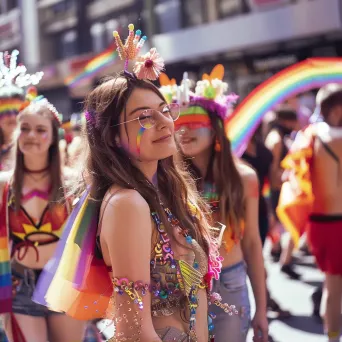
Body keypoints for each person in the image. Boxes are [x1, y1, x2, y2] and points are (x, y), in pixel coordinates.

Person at [33, 25, 231, 342]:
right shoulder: (128, 203)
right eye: (143, 117)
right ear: (112, 136)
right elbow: (134, 328)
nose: (165, 123)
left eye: (164, 110)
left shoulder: (164, 193)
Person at [176, 65, 268, 342]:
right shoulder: (171, 180)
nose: (184, 130)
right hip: (183, 285)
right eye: (178, 124)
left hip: (230, 281)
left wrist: (262, 310)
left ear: (215, 130)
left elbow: (252, 242)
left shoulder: (243, 178)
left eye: (194, 124)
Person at [0, 95, 85, 342]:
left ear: (53, 136)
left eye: (40, 130)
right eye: (25, 129)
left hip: (64, 282)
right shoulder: (4, 185)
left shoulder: (72, 183)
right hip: (19, 285)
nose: (31, 136)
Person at [277, 84, 342, 342]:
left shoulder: (309, 136)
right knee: (334, 288)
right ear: (337, 109)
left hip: (319, 224)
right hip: (337, 223)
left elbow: (291, 175)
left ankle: (332, 337)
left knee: (332, 286)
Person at [264, 108, 300, 279]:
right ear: (286, 121)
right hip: (278, 188)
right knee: (282, 221)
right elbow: (273, 167)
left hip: (278, 187)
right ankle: (281, 255)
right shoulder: (276, 139)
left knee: (278, 223)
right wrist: (281, 182)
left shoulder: (278, 136)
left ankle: (276, 249)